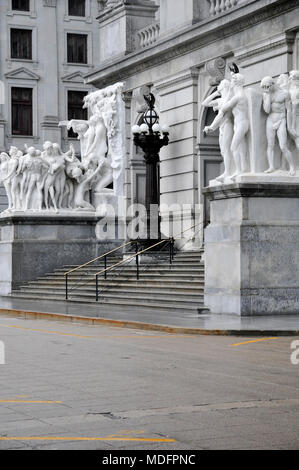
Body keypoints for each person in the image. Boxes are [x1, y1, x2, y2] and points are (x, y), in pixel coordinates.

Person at [261, 76, 296, 175]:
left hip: (281, 119)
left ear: (272, 84)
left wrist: (284, 124)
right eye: (263, 87)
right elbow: (267, 110)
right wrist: (267, 95)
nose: (265, 89)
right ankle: (271, 166)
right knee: (270, 145)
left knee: (283, 146)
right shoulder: (266, 94)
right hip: (270, 119)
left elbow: (288, 110)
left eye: (267, 86)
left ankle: (292, 167)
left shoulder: (284, 93)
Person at [202, 79, 234, 181]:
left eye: (220, 85)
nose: (218, 86)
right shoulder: (220, 100)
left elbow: (221, 115)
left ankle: (228, 172)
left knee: (227, 149)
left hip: (228, 125)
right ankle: (228, 171)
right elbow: (204, 103)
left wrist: (211, 127)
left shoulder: (229, 100)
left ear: (224, 86)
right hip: (222, 127)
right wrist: (216, 93)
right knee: (224, 151)